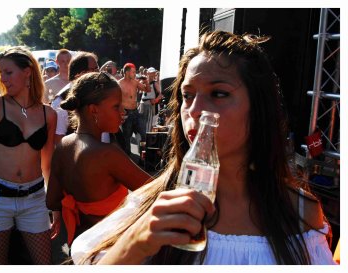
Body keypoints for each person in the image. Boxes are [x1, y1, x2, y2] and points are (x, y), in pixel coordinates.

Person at [71, 30, 336, 265]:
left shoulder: (300, 213)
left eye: (219, 94)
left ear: (258, 109)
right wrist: (135, 244)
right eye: (187, 96)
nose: (195, 110)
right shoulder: (152, 206)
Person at [0, 46, 57, 264]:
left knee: (44, 264)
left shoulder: (49, 114)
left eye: (8, 72)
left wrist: (56, 207)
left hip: (35, 200)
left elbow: (48, 165)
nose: (3, 79)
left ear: (27, 71)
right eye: (0, 74)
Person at [46, 72, 151, 252]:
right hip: (109, 248)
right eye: (116, 106)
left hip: (80, 245)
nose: (122, 112)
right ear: (93, 110)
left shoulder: (63, 146)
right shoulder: (107, 154)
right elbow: (155, 190)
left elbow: (52, 201)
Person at [51, 51, 99, 143]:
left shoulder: (99, 92)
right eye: (94, 69)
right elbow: (58, 141)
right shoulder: (61, 101)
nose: (97, 73)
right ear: (80, 73)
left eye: (97, 69)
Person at [118, 63, 150, 155]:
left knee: (143, 135)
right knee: (126, 138)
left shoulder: (135, 82)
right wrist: (121, 112)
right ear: (127, 72)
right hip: (126, 113)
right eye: (133, 72)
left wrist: (146, 81)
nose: (135, 74)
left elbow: (147, 90)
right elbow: (116, 100)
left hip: (135, 112)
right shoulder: (119, 84)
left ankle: (142, 156)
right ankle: (128, 158)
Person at [138, 66, 163, 133]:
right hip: (142, 103)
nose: (152, 74)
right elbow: (139, 93)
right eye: (151, 73)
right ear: (148, 73)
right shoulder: (142, 81)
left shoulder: (155, 83)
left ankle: (147, 137)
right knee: (141, 121)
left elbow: (161, 94)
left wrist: (155, 100)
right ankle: (142, 137)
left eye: (153, 73)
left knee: (149, 122)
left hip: (150, 104)